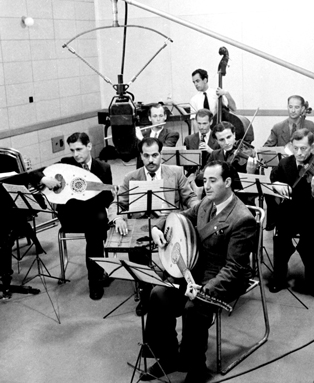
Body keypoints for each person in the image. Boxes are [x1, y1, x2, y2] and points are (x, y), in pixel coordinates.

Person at [139, 161, 257, 382]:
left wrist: (205, 290)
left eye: (213, 181)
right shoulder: (206, 202)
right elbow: (181, 215)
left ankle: (196, 367)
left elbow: (234, 268)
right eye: (205, 180)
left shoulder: (242, 219)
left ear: (228, 182)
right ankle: (168, 357)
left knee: (194, 308)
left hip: (225, 277)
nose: (207, 186)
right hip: (196, 269)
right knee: (158, 295)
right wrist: (157, 227)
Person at [108, 137, 199, 314]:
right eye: (146, 155)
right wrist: (117, 217)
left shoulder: (176, 173)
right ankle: (145, 292)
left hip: (168, 222)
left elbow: (190, 198)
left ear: (161, 155)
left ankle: (172, 290)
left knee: (180, 247)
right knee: (135, 248)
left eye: (155, 155)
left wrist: (199, 208)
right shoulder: (131, 177)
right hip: (142, 225)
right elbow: (116, 204)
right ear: (141, 156)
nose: (151, 160)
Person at [37, 132, 114, 300]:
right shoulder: (65, 164)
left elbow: (108, 198)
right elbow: (36, 173)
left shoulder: (103, 168)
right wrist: (44, 179)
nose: (76, 154)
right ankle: (97, 278)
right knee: (97, 229)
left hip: (94, 213)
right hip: (71, 215)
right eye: (72, 150)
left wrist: (94, 191)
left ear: (89, 146)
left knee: (96, 226)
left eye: (79, 149)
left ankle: (96, 278)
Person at [269, 128, 314, 297]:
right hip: (290, 211)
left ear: (312, 147)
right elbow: (272, 180)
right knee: (280, 238)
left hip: (312, 212)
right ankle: (279, 277)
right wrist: (276, 186)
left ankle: (313, 279)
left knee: (309, 241)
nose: (299, 153)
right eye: (295, 148)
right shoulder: (284, 163)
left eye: (303, 148)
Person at [263, 95, 314, 231]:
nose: (293, 110)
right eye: (290, 107)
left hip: (303, 166)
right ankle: (274, 217)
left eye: (296, 107)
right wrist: (281, 152)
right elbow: (266, 147)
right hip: (284, 167)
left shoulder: (309, 125)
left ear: (302, 109)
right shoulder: (278, 127)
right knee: (271, 184)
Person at [136, 103, 179, 168]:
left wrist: (142, 139)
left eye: (161, 116)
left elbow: (161, 150)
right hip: (144, 172)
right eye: (155, 116)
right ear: (150, 118)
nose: (158, 119)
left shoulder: (172, 134)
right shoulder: (142, 134)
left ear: (165, 117)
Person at [183, 109, 220, 174]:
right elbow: (185, 165)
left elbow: (223, 162)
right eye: (199, 123)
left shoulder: (218, 138)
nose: (201, 127)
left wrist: (211, 151)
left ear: (211, 122)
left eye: (204, 123)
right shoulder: (188, 139)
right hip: (193, 176)